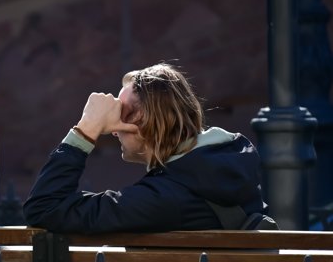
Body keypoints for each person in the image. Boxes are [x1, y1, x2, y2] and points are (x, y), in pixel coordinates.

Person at [22, 63, 270, 234]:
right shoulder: (230, 165)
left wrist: (86, 129)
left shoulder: (164, 199)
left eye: (123, 114)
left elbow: (44, 207)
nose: (114, 129)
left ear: (146, 119)